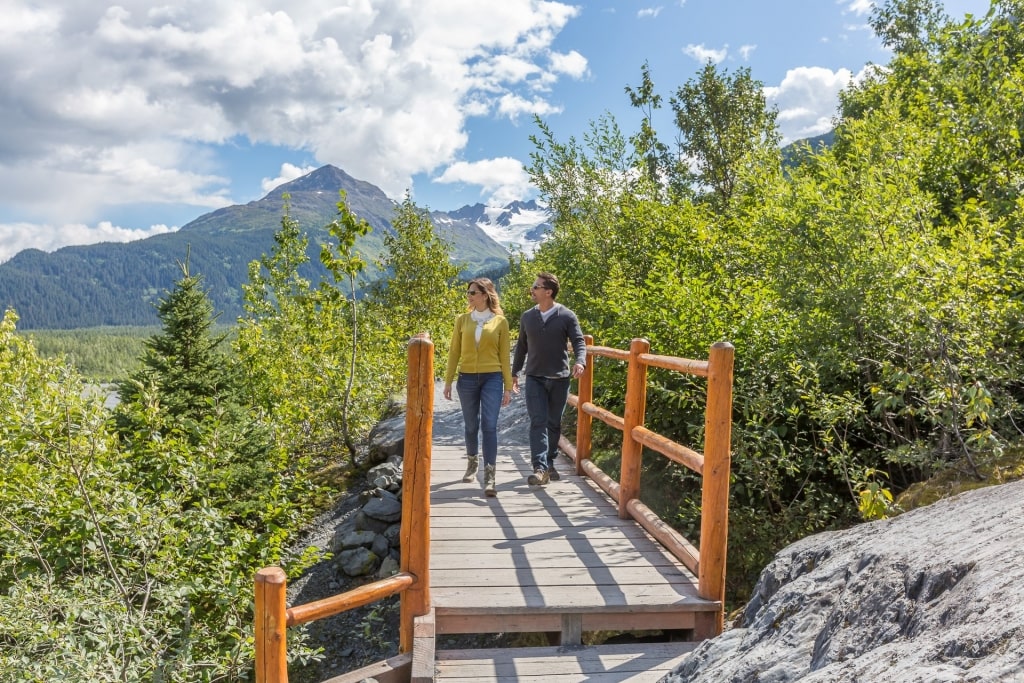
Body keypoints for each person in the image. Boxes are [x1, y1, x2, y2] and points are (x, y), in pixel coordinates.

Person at [511, 272, 586, 486]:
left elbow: (579, 341)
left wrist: (580, 361)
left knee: (553, 423)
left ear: (548, 292)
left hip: (559, 378)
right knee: (538, 422)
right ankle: (540, 468)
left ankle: (549, 462)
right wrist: (514, 373)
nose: (532, 290)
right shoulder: (527, 317)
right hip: (534, 377)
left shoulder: (567, 316)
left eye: (536, 287)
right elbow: (521, 348)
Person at [444, 278, 514, 497]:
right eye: (468, 292)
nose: (469, 295)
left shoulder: (500, 321)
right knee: (471, 425)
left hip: (492, 378)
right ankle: (472, 464)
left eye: (473, 292)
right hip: (466, 379)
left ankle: (490, 476)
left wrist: (508, 387)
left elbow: (504, 355)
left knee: (489, 426)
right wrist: (447, 381)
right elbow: (454, 351)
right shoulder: (462, 320)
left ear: (485, 295)